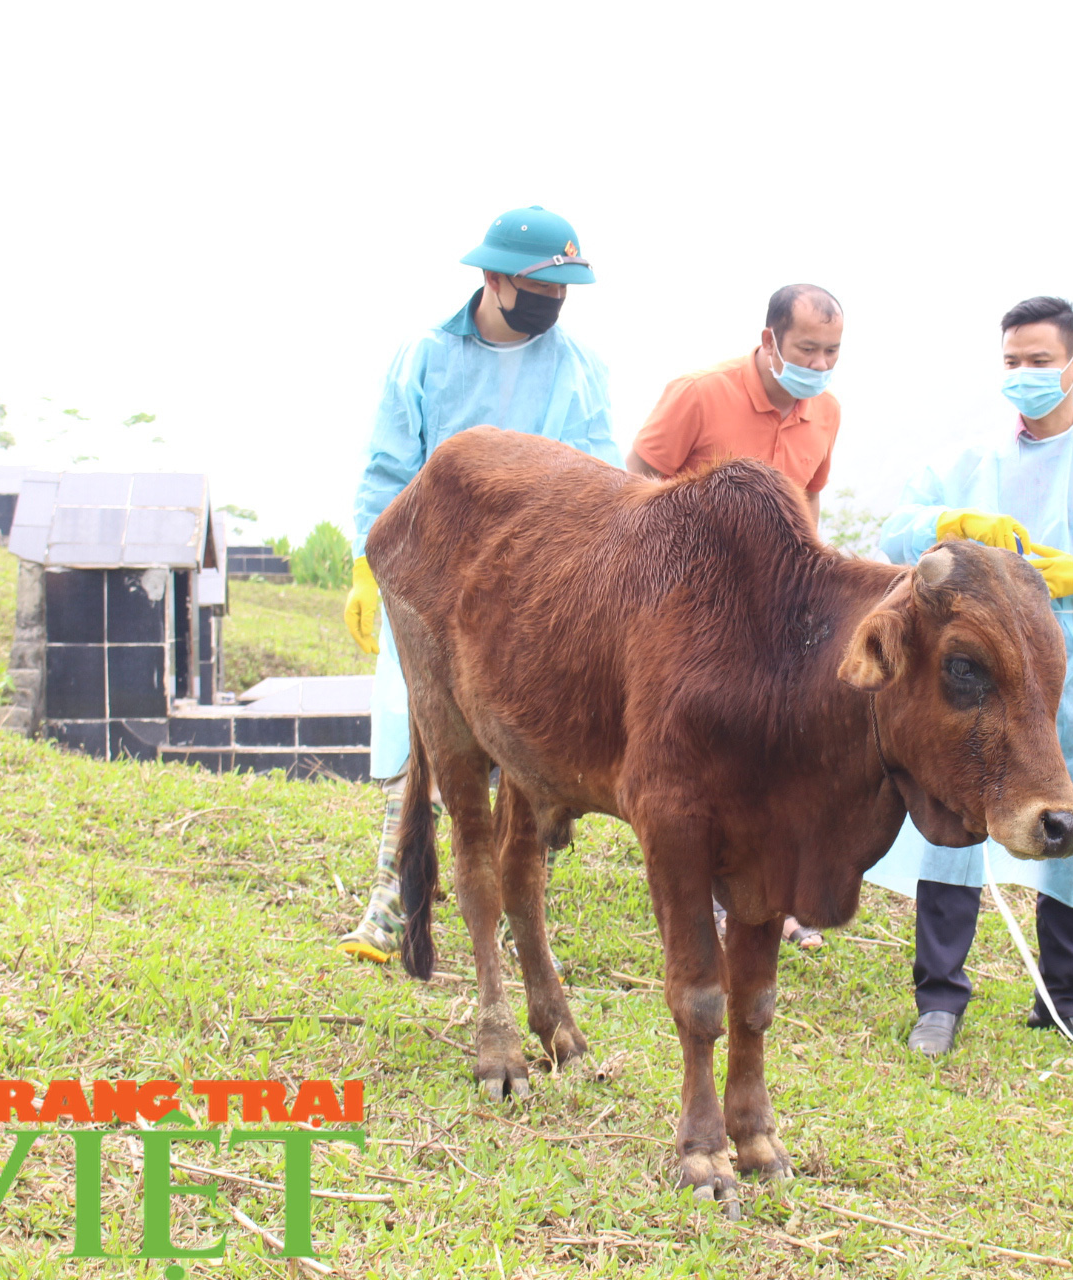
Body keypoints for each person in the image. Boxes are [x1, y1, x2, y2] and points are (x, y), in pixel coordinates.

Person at [865, 295, 1073, 1058]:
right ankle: (939, 1000)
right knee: (956, 812)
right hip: (976, 675)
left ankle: (1064, 1002)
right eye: (1013, 362)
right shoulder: (971, 464)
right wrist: (958, 524)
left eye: (1040, 362)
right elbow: (899, 525)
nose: (1025, 376)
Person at [337, 205, 618, 963]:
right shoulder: (426, 358)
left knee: (526, 752)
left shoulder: (578, 370)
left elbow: (600, 479)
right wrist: (370, 569)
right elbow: (390, 472)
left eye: (563, 289)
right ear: (493, 278)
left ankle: (508, 913)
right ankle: (393, 903)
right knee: (431, 743)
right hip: (433, 577)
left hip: (533, 590)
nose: (551, 302)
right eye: (539, 285)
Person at [628, 283, 845, 949]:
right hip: (690, 609)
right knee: (707, 762)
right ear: (769, 342)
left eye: (833, 352)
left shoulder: (826, 411)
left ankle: (773, 897)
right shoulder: (698, 394)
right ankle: (713, 898)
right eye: (807, 348)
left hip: (774, 615)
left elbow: (808, 500)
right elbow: (636, 480)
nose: (819, 364)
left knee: (777, 750)